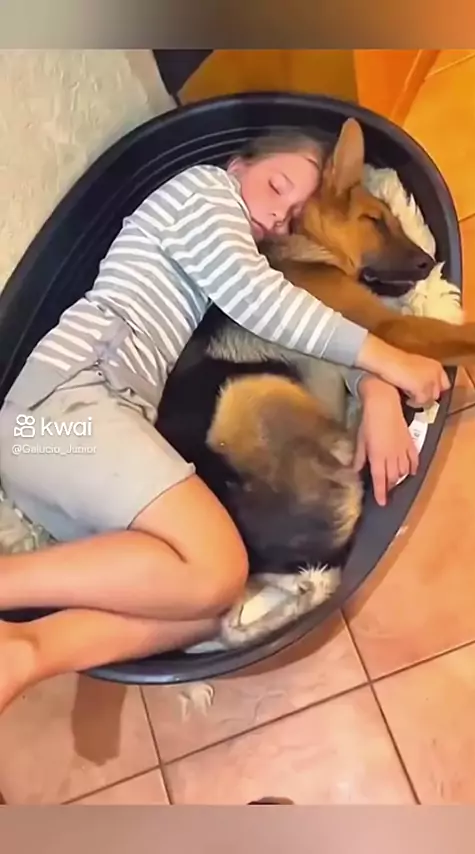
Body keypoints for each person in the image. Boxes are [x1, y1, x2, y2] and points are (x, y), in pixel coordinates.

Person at [0, 131, 448, 713]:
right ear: (236, 165)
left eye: (292, 214)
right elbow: (263, 301)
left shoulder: (218, 267)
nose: (278, 215)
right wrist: (391, 361)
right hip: (63, 409)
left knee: (204, 607)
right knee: (219, 568)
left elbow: (293, 323)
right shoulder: (203, 194)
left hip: (62, 454)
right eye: (276, 187)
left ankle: (27, 651)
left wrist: (374, 390)